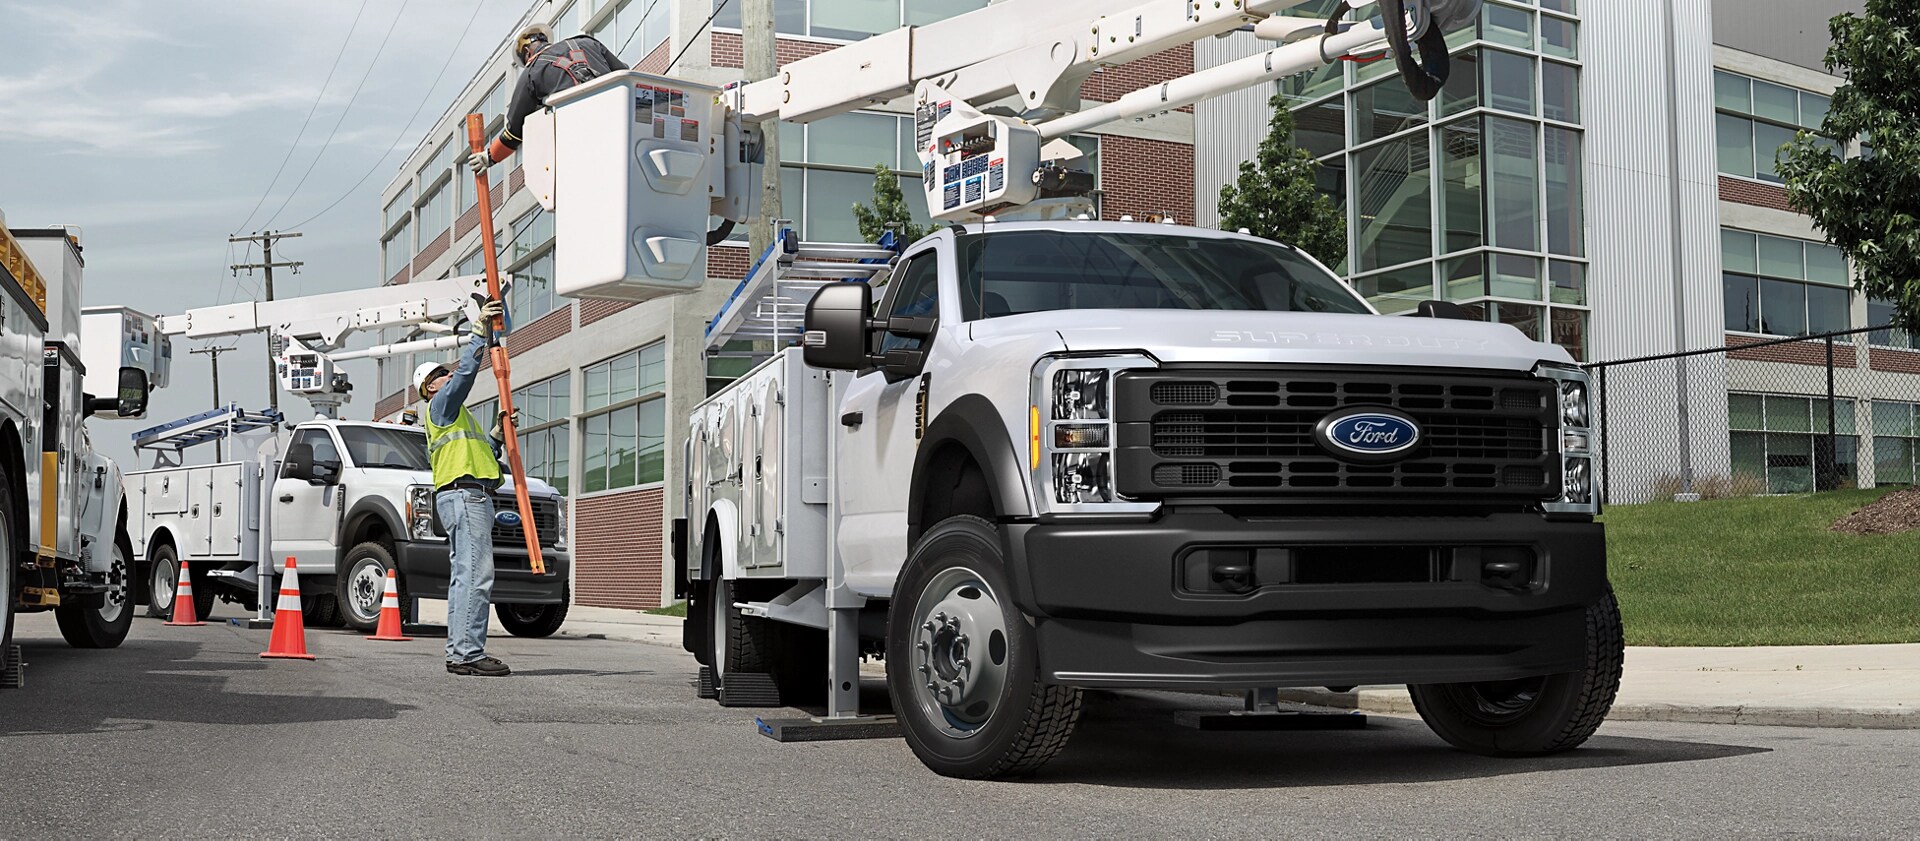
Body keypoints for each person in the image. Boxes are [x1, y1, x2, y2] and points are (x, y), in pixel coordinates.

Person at [414, 298, 515, 676]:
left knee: (465, 576)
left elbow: (479, 455)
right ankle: (468, 653)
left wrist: (495, 436)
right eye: (440, 374)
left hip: (466, 494)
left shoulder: (457, 416)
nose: (447, 375)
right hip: (465, 496)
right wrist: (478, 333)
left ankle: (461, 651)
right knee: (476, 574)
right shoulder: (440, 405)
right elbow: (466, 375)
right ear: (429, 388)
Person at [468, 23, 627, 175]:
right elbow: (624, 73)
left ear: (526, 52)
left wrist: (489, 157)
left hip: (579, 139)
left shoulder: (531, 73)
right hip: (619, 120)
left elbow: (514, 132)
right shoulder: (587, 42)